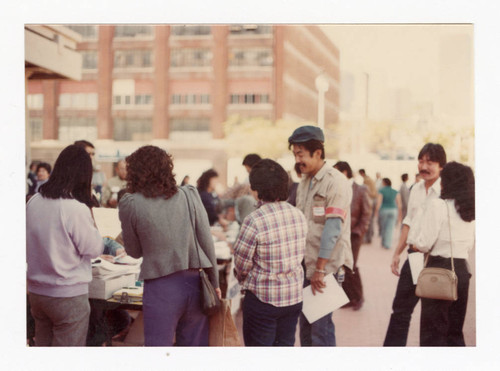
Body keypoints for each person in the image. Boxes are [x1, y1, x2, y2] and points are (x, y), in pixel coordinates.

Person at [118, 145, 220, 346]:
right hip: (196, 283)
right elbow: (206, 242)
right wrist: (214, 283)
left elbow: (135, 252)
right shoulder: (189, 194)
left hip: (160, 287)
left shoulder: (131, 203)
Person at [26, 145, 104, 346]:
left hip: (37, 292)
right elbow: (94, 248)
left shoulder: (33, 201)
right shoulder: (75, 208)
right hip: (67, 296)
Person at [288, 125, 352, 347]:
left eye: (301, 154)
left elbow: (332, 229)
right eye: (295, 154)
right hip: (307, 266)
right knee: (306, 328)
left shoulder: (335, 182)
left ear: (317, 152)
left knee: (320, 332)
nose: (297, 160)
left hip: (326, 270)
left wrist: (320, 269)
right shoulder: (306, 181)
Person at [233, 159, 307, 346]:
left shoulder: (254, 219)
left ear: (257, 189)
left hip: (262, 299)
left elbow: (241, 263)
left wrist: (243, 277)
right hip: (293, 297)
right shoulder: (298, 214)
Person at [383, 143, 447, 346]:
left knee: (430, 316)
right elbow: (408, 221)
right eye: (421, 161)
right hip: (414, 258)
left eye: (430, 162)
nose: (424, 166)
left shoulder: (446, 191)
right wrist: (397, 252)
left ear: (441, 166)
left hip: (436, 261)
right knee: (400, 309)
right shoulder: (416, 189)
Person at [409, 162, 475, 346]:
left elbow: (424, 243)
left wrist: (415, 243)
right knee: (454, 331)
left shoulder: (439, 206)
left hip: (439, 269)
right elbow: (469, 245)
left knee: (433, 332)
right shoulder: (470, 211)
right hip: (462, 270)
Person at [334, 161, 372, 310]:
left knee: (352, 266)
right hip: (339, 234)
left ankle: (358, 297)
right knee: (341, 266)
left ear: (344, 172)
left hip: (354, 234)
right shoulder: (336, 189)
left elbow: (366, 213)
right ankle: (349, 297)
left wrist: (359, 231)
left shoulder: (361, 189)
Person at [375, 178, 402, 249]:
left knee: (383, 227)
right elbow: (399, 204)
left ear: (384, 183)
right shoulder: (395, 191)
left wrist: (376, 212)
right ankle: (388, 244)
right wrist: (400, 215)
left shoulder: (381, 191)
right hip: (393, 210)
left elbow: (379, 202)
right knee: (390, 227)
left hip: (384, 210)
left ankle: (384, 242)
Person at [359, 169, 378, 243]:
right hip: (373, 199)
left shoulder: (366, 180)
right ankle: (369, 237)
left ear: (361, 173)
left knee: (367, 220)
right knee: (371, 220)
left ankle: (367, 238)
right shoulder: (370, 179)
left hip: (370, 199)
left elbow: (366, 191)